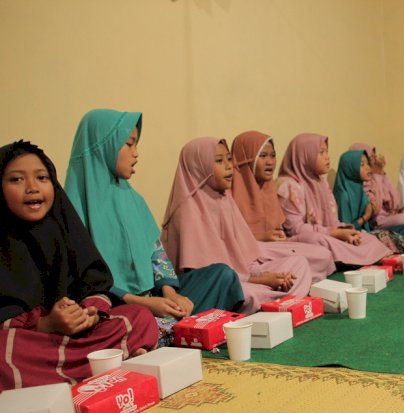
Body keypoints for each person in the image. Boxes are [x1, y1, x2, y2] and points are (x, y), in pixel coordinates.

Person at [64, 110, 244, 346]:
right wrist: (143, 304)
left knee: (222, 275)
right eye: (128, 144)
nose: (136, 153)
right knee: (125, 321)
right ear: (102, 147)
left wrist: (170, 292)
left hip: (154, 297)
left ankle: (170, 331)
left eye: (136, 144)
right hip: (116, 307)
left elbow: (156, 253)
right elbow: (86, 283)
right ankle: (173, 332)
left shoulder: (133, 199)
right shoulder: (73, 210)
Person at [0, 140, 158, 389]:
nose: (32, 188)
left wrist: (89, 313)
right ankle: (108, 366)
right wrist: (46, 323)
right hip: (32, 340)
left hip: (79, 336)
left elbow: (94, 281)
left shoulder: (63, 227)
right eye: (16, 180)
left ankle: (81, 373)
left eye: (42, 177)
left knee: (139, 318)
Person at [162, 137, 313, 313]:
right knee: (242, 291)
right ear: (198, 168)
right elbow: (215, 278)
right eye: (219, 161)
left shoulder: (224, 198)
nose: (228, 166)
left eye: (229, 159)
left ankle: (276, 303)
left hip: (246, 278)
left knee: (299, 264)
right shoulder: (187, 211)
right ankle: (282, 302)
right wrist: (263, 280)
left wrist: (265, 276)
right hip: (223, 285)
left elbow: (243, 262)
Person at [230, 131, 335, 281]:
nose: (270, 162)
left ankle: (280, 275)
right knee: (300, 260)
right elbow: (229, 240)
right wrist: (262, 237)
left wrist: (276, 236)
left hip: (271, 251)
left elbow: (278, 230)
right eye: (263, 156)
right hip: (247, 252)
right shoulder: (230, 192)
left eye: (272, 156)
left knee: (322, 254)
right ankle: (275, 277)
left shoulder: (268, 187)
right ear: (245, 159)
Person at [276, 133, 391, 266]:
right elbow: (295, 229)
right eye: (321, 152)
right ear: (304, 156)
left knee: (366, 238)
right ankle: (354, 258)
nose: (327, 157)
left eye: (327, 151)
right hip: (303, 240)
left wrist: (344, 231)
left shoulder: (321, 183)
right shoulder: (289, 185)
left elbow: (333, 221)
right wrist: (333, 233)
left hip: (327, 235)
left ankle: (354, 258)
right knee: (319, 240)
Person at [334, 149, 404, 253]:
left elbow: (394, 203)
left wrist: (382, 173)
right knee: (381, 239)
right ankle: (394, 258)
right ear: (351, 168)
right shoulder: (343, 195)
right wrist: (365, 217)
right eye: (362, 165)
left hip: (369, 232)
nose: (368, 168)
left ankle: (402, 259)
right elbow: (345, 231)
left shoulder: (360, 189)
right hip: (358, 238)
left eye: (368, 164)